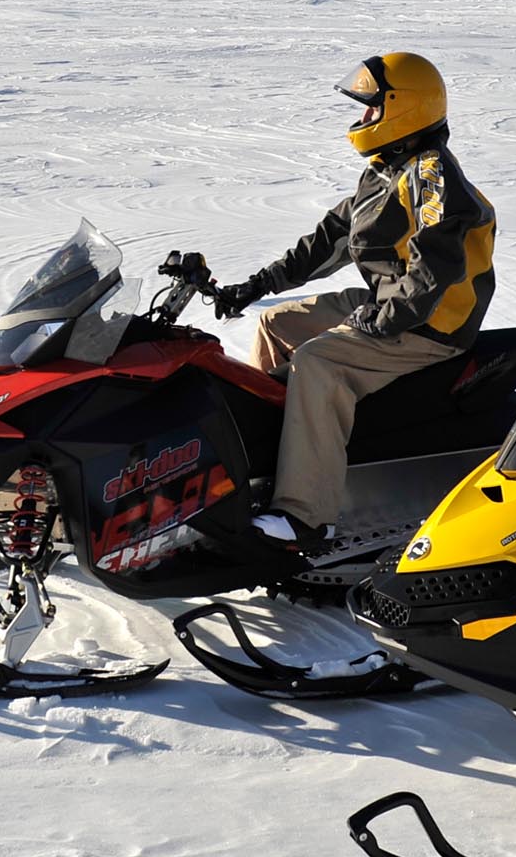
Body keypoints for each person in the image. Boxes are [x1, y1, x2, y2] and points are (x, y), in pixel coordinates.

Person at [210, 52, 497, 555]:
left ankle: (305, 515)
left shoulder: (432, 176)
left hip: (430, 323)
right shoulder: (387, 170)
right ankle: (272, 464)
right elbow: (328, 241)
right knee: (276, 326)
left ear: (401, 108)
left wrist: (382, 322)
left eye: (370, 108)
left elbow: (437, 268)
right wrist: (255, 286)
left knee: (318, 361)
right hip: (387, 300)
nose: (362, 119)